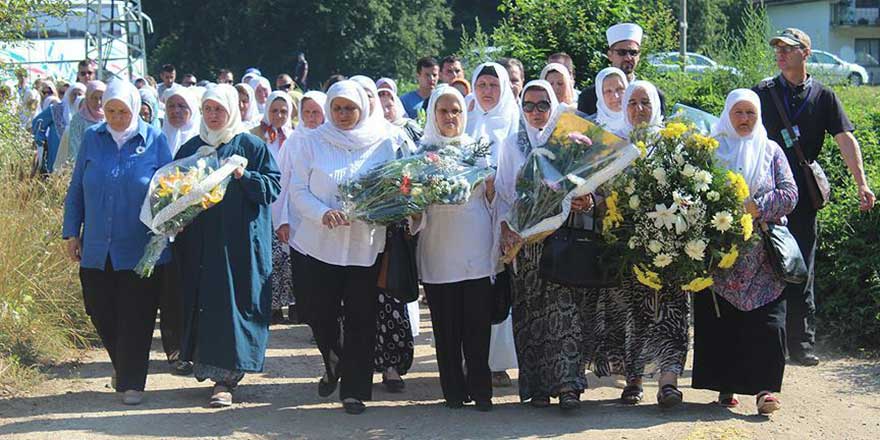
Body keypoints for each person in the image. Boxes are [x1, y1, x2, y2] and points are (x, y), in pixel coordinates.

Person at [753, 28, 875, 367]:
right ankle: (764, 341)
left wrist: (861, 184)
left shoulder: (824, 97)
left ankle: (801, 344)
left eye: (788, 48)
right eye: (776, 46)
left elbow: (846, 140)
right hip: (764, 196)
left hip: (803, 199)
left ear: (806, 54)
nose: (779, 52)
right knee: (760, 268)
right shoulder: (761, 93)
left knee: (800, 269)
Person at [290, 80, 398, 414]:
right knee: (320, 313)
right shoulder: (311, 142)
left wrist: (373, 209)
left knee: (361, 318)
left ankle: (355, 389)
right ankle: (333, 357)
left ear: (362, 109)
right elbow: (297, 191)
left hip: (363, 246)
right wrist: (324, 213)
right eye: (337, 108)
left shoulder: (382, 143)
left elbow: (392, 189)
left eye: (349, 108)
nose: (343, 114)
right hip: (319, 245)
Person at [62, 79, 172, 406]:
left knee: (136, 317)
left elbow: (169, 192)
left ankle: (131, 381)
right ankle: (123, 365)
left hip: (141, 248)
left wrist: (166, 234)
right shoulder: (93, 139)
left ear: (135, 109)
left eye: (122, 110)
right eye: (110, 110)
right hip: (97, 245)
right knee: (100, 309)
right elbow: (77, 189)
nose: (116, 116)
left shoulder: (154, 140)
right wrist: (71, 232)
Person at [692, 88, 799, 416]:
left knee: (767, 323)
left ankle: (766, 389)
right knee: (724, 321)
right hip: (721, 255)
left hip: (763, 256)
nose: (744, 119)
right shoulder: (713, 150)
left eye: (750, 113)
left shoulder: (771, 150)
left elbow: (790, 193)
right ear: (727, 115)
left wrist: (757, 206)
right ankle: (727, 385)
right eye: (738, 112)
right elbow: (694, 189)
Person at [174, 84, 280, 408]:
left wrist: (243, 176)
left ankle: (226, 380)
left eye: (219, 109)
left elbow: (272, 187)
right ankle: (207, 369)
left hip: (239, 247)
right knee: (206, 304)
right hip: (201, 246)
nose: (214, 115)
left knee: (232, 307)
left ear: (233, 110)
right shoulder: (192, 148)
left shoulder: (251, 146)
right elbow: (173, 191)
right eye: (208, 109)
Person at [495, 80, 594, 410]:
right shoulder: (513, 144)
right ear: (521, 109)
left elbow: (585, 184)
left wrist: (585, 200)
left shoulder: (567, 142)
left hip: (561, 237)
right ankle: (538, 386)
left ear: (554, 107)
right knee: (530, 311)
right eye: (529, 106)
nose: (536, 112)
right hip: (526, 242)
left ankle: (568, 386)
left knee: (566, 311)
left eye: (543, 106)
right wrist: (508, 228)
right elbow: (506, 192)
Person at [418, 85, 495, 411]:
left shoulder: (479, 150)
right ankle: (452, 389)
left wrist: (491, 186)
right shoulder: (421, 154)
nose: (450, 117)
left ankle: (481, 390)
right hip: (438, 251)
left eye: (456, 111)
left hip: (476, 249)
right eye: (443, 111)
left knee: (477, 326)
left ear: (465, 114)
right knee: (446, 329)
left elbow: (493, 200)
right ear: (433, 114)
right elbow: (413, 212)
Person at [621, 80, 690, 408]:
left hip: (672, 243)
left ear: (656, 107)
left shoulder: (673, 144)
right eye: (632, 103)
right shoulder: (616, 144)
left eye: (645, 103)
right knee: (634, 313)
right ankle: (633, 380)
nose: (639, 110)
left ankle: (668, 381)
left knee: (673, 311)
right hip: (628, 243)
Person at [465, 62, 520, 386]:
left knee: (499, 288)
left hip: (504, 216)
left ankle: (497, 362)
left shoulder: (513, 124)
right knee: (471, 286)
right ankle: (470, 357)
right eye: (482, 85)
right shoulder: (466, 121)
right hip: (469, 220)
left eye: (493, 85)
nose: (487, 92)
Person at [275, 90, 327, 325]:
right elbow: (282, 182)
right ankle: (309, 316)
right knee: (304, 270)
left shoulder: (331, 139)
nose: (311, 117)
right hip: (298, 218)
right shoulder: (294, 141)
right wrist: (282, 219)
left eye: (316, 112)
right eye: (307, 112)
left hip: (327, 218)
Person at [251, 91, 295, 325]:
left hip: (289, 202)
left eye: (284, 111)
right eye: (274, 110)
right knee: (269, 257)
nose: (279, 115)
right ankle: (273, 305)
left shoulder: (294, 137)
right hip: (265, 205)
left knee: (289, 258)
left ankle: (294, 304)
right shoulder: (256, 136)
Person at [577, 23, 667, 116]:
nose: (628, 58)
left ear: (639, 56)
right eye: (622, 52)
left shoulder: (653, 94)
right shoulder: (589, 96)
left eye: (633, 53)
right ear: (610, 55)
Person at [32, 82, 84, 173]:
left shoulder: (88, 115)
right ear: (68, 94)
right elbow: (38, 122)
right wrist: (42, 141)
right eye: (73, 94)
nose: (76, 97)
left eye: (79, 94)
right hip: (55, 153)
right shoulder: (57, 109)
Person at [54, 81, 106, 171]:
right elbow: (74, 150)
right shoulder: (79, 120)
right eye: (94, 98)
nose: (98, 102)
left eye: (101, 98)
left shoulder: (108, 117)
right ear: (88, 98)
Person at [161, 86, 201, 157]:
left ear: (192, 110)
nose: (176, 111)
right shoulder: (156, 141)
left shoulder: (202, 142)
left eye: (182, 106)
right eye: (171, 106)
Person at [593, 67, 629, 134]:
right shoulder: (591, 128)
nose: (616, 96)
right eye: (608, 91)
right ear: (600, 95)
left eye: (619, 89)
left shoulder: (640, 125)